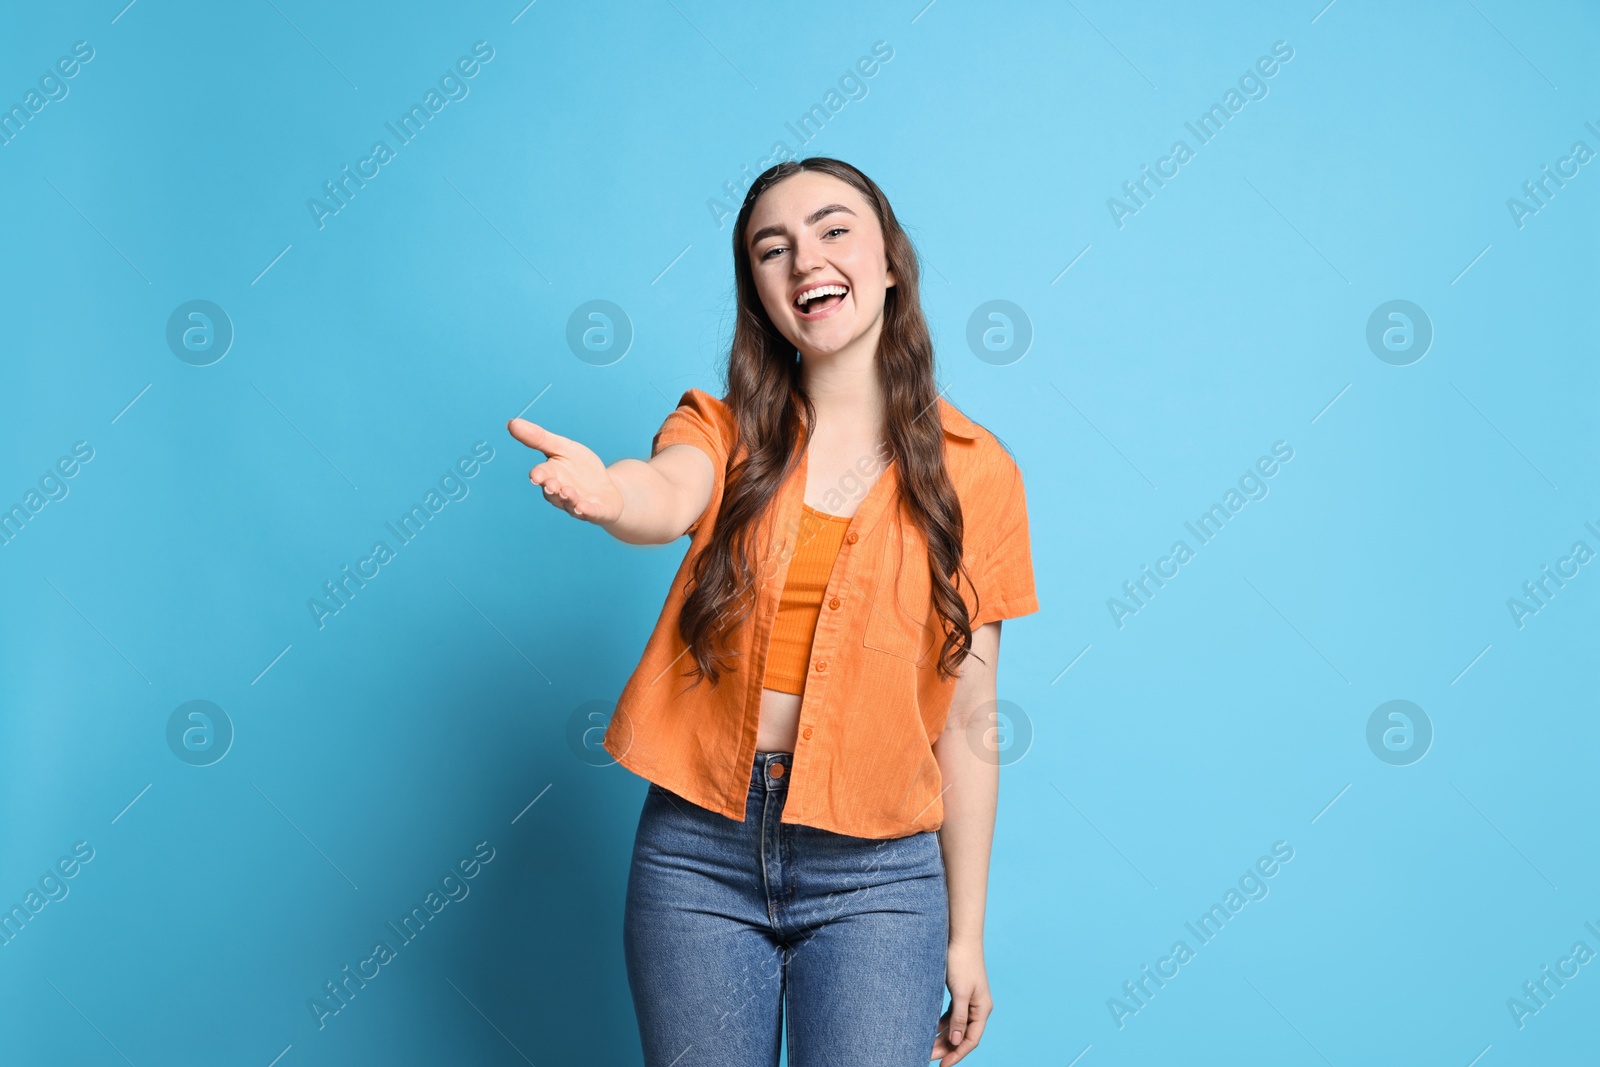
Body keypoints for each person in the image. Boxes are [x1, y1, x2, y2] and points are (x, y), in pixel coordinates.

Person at [507, 157, 1039, 1066]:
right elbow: (667, 491)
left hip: (878, 869)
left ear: (888, 261)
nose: (806, 261)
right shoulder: (721, 429)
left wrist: (967, 932)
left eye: (833, 230)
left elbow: (973, 719)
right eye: (772, 248)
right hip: (696, 852)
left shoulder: (975, 469)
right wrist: (610, 496)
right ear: (758, 291)